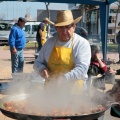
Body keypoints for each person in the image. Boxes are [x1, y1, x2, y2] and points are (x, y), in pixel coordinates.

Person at [33, 10, 91, 93]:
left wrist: (63, 79)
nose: (64, 31)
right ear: (56, 28)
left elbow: (82, 69)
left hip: (75, 95)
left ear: (74, 27)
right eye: (61, 27)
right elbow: (37, 63)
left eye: (68, 27)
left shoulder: (82, 44)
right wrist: (42, 69)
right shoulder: (49, 43)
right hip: (50, 91)